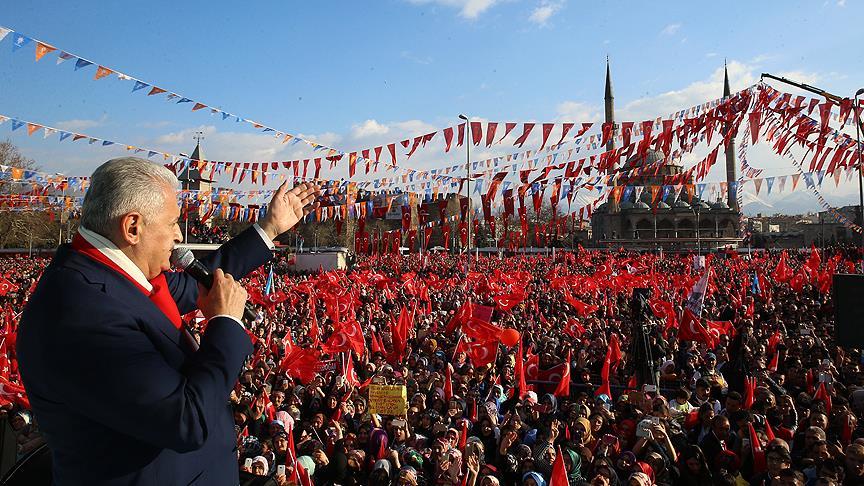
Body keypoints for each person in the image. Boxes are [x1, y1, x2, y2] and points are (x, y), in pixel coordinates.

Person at [16, 157, 319, 486]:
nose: (178, 235)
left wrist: (269, 229)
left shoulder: (116, 275)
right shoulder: (80, 312)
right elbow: (185, 420)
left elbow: (200, 282)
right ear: (133, 227)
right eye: (172, 222)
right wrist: (225, 325)